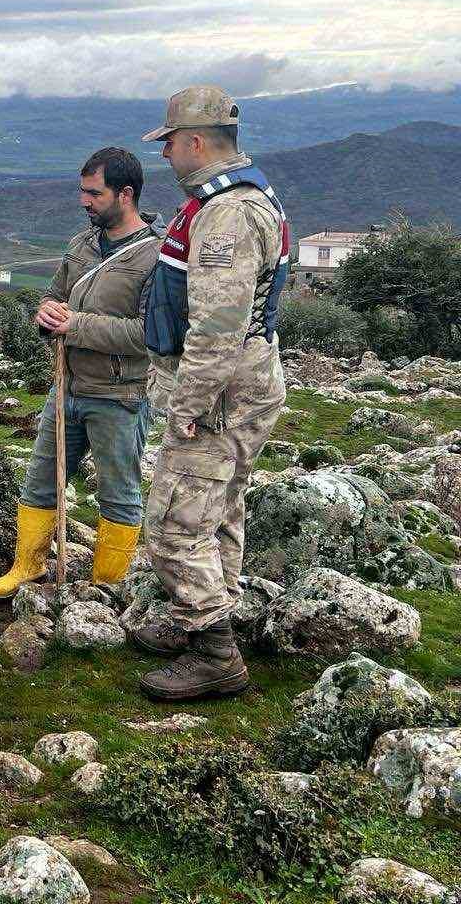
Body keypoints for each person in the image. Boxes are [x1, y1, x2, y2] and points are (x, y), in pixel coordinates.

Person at [132, 85, 290, 702]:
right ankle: (201, 619)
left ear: (195, 142)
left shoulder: (225, 213)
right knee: (218, 508)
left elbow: (219, 325)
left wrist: (187, 408)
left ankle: (213, 650)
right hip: (243, 384)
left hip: (219, 392)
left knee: (175, 518)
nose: (166, 155)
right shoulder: (234, 197)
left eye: (169, 143)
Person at [0, 148, 162, 599]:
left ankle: (107, 588)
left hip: (120, 395)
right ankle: (27, 566)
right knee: (40, 480)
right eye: (82, 191)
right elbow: (57, 295)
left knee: (118, 492)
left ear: (126, 194)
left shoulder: (155, 258)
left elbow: (150, 334)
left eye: (93, 192)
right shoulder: (82, 245)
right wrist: (46, 313)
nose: (84, 201)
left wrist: (76, 326)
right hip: (66, 385)